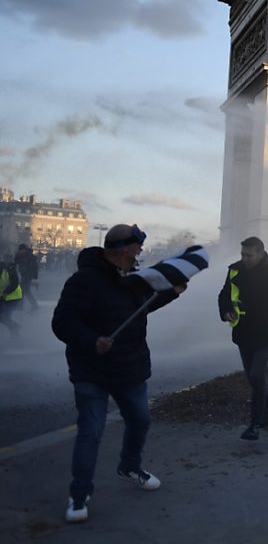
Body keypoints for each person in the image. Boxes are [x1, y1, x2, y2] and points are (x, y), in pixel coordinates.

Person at [52, 224, 186, 523]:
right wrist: (92, 340)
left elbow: (141, 308)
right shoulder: (83, 281)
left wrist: (172, 293)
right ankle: (79, 494)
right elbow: (62, 322)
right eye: (137, 247)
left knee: (140, 419)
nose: (140, 251)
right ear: (125, 249)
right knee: (90, 433)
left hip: (129, 369)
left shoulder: (134, 280)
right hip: (91, 371)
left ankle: (129, 466)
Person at [218, 237, 268, 441]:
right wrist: (226, 311)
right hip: (243, 332)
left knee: (257, 377)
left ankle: (254, 424)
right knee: (252, 378)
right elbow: (224, 295)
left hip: (266, 333)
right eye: (242, 254)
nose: (245, 259)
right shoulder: (235, 270)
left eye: (249, 255)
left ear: (261, 253)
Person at [0, 257, 23, 336]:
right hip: (4, 297)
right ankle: (15, 329)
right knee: (4, 317)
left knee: (4, 316)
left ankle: (15, 331)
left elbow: (14, 283)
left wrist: (5, 292)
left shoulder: (9, 271)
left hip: (13, 297)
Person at [14, 244, 39, 311]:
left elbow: (34, 267)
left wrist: (35, 278)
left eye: (22, 250)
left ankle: (22, 307)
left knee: (24, 291)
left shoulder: (29, 256)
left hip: (28, 276)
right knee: (25, 291)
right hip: (23, 275)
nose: (21, 251)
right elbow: (15, 264)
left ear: (24, 250)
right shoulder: (19, 256)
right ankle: (33, 306)